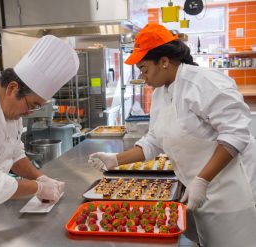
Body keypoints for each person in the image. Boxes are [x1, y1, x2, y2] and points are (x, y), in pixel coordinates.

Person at [88, 24, 256, 247]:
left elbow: (236, 134)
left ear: (164, 61)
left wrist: (202, 179)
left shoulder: (204, 82)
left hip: (232, 192)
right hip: (200, 189)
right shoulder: (161, 93)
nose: (143, 77)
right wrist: (115, 160)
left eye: (145, 69)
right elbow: (153, 141)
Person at [0, 35, 79, 223]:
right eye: (32, 105)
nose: (30, 112)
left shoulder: (10, 110)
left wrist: (42, 178)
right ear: (13, 88)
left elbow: (14, 155)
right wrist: (37, 188)